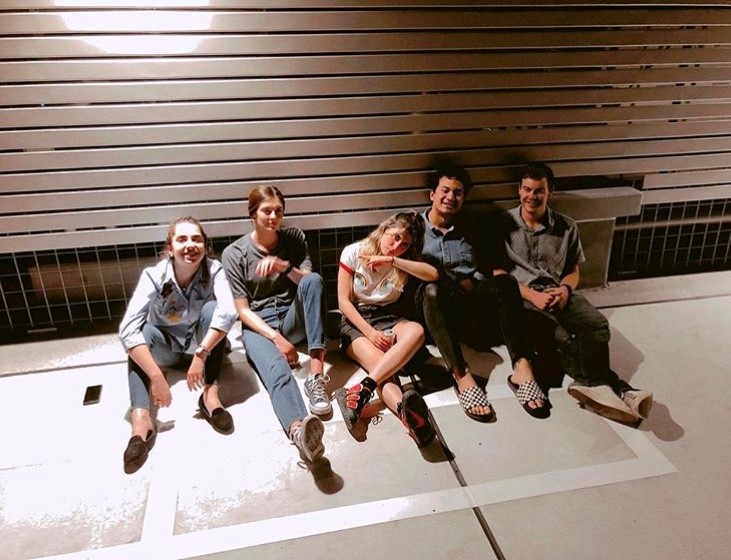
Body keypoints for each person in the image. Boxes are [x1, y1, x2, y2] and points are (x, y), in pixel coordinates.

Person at [496, 162, 653, 422]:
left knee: (596, 325)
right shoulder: (503, 225)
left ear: (550, 192)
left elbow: (573, 271)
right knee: (563, 338)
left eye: (539, 191)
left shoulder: (567, 226)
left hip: (559, 291)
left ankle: (596, 387)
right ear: (519, 190)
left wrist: (566, 289)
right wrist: (532, 296)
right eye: (527, 189)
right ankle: (619, 389)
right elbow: (498, 273)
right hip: (523, 298)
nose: (532, 196)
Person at [417, 165, 551, 421]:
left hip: (470, 310)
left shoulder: (471, 228)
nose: (451, 197)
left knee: (506, 282)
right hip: (435, 311)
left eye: (458, 193)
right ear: (432, 194)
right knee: (432, 290)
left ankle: (522, 368)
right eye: (445, 190)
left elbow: (490, 267)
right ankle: (461, 376)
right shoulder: (414, 228)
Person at [119, 216, 238, 473]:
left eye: (197, 239)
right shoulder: (154, 275)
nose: (190, 245)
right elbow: (127, 329)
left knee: (213, 310)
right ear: (170, 249)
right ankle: (141, 421)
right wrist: (156, 376)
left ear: (205, 246)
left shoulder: (214, 270)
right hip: (167, 351)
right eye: (182, 239)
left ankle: (210, 397)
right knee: (141, 332)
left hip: (203, 349)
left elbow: (229, 312)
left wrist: (201, 354)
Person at [222, 185, 329, 463]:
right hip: (259, 326)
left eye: (278, 211)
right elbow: (243, 311)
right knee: (277, 372)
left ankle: (316, 377)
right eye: (266, 211)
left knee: (313, 280)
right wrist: (276, 339)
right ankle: (299, 432)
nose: (273, 217)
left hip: (292, 316)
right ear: (252, 214)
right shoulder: (234, 253)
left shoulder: (293, 239)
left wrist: (284, 266)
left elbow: (308, 284)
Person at [333, 211, 438, 448]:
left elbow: (433, 274)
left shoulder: (401, 261)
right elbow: (343, 302)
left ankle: (361, 391)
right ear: (385, 229)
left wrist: (392, 261)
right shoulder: (354, 252)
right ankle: (412, 420)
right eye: (395, 237)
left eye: (405, 244)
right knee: (384, 368)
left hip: (387, 317)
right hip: (355, 321)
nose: (397, 246)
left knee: (416, 331)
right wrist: (370, 333)